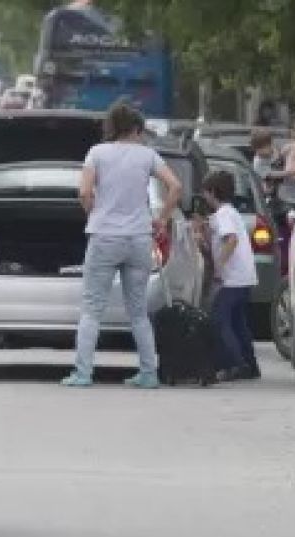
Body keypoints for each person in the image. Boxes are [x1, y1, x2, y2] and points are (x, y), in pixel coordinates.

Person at [61, 101, 183, 388]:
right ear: (136, 129)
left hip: (104, 237)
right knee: (139, 311)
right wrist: (162, 219)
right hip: (139, 238)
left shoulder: (97, 153)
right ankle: (149, 373)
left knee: (92, 308)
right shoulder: (147, 155)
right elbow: (175, 187)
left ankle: (82, 372)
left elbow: (83, 192)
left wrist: (94, 212)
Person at [199, 171, 260, 381]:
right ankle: (250, 364)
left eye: (206, 193)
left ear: (213, 192)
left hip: (233, 278)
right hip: (244, 277)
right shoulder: (229, 213)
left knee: (220, 319)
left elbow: (231, 240)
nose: (204, 197)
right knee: (237, 322)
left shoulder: (224, 214)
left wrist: (219, 267)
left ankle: (235, 363)